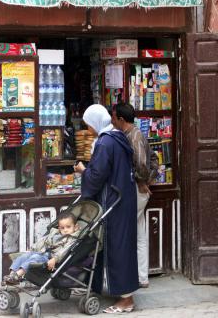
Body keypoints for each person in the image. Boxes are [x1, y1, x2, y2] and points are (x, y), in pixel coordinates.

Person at [74, 104, 138, 313]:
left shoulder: (104, 143)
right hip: (123, 198)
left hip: (113, 201)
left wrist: (84, 171)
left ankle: (126, 300)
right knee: (119, 245)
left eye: (89, 125)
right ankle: (109, 288)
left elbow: (97, 175)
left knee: (116, 247)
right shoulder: (118, 137)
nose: (89, 130)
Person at [111, 103, 159, 288]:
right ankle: (142, 277)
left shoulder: (135, 135)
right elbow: (152, 158)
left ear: (121, 119)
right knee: (140, 233)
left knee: (125, 229)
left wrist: (142, 181)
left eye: (114, 117)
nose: (111, 120)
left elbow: (141, 162)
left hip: (136, 190)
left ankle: (130, 277)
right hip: (138, 189)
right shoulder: (128, 134)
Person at [3, 212, 80, 284]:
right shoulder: (55, 233)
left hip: (51, 259)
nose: (65, 230)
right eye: (62, 228)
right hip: (43, 252)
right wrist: (33, 249)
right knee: (24, 256)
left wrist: (55, 259)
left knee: (35, 257)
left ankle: (18, 275)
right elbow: (43, 241)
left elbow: (64, 251)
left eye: (68, 227)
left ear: (75, 227)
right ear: (59, 228)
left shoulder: (72, 239)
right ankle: (12, 275)